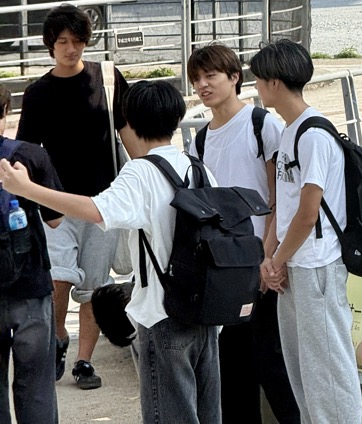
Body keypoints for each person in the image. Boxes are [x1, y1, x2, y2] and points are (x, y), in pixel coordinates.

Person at [1, 79, 221, 424]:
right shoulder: (197, 168)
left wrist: (28, 189)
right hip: (205, 313)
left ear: (130, 121)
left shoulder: (142, 172)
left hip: (163, 314)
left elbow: (95, 210)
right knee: (207, 414)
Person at [16, 4, 128, 390]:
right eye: (62, 41)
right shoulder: (37, 93)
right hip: (56, 204)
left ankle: (84, 362)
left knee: (94, 286)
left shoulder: (107, 78)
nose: (70, 48)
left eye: (77, 40)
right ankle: (60, 336)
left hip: (104, 201)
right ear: (50, 44)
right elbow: (26, 153)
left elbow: (129, 133)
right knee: (58, 279)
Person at [187, 43, 300, 424]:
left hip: (263, 263)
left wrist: (270, 257)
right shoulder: (200, 141)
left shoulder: (261, 124)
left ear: (235, 77)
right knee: (232, 370)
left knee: (272, 361)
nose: (203, 85)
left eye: (211, 76)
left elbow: (278, 197)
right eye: (197, 79)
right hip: (224, 268)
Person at [251, 40, 362, 424]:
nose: (256, 86)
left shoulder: (313, 135)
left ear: (275, 82)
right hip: (294, 267)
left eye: (259, 79)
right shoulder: (290, 131)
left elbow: (307, 213)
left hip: (316, 266)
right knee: (304, 371)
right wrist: (270, 257)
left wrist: (275, 260)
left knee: (329, 372)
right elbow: (283, 206)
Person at [0, 86, 63, 424]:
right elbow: (56, 220)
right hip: (30, 283)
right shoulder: (29, 155)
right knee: (36, 387)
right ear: (6, 111)